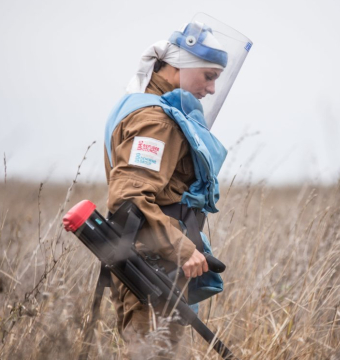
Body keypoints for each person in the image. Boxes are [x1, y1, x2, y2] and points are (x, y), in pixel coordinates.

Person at [103, 14, 252, 356]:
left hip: (154, 264)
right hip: (150, 266)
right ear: (179, 66)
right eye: (208, 76)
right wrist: (182, 249)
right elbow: (129, 198)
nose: (212, 88)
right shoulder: (155, 121)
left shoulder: (146, 109)